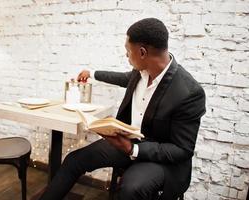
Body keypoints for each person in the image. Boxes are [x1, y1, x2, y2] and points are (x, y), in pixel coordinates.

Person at [39, 18, 206, 200]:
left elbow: (182, 150)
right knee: (73, 160)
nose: (126, 56)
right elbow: (122, 78)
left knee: (131, 188)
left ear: (142, 52)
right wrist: (92, 73)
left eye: (128, 51)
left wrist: (132, 149)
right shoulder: (140, 72)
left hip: (161, 159)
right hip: (129, 143)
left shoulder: (189, 93)